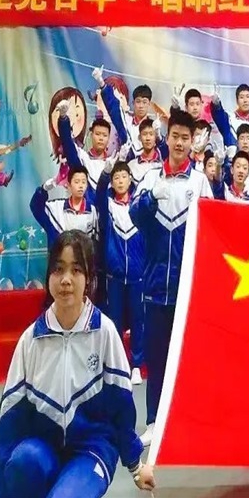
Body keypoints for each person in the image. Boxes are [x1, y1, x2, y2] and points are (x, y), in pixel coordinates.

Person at [0, 231, 155, 498]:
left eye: (76, 270)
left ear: (89, 278)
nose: (66, 280)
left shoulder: (104, 333)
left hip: (92, 448)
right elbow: (10, 421)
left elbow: (121, 407)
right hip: (43, 445)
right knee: (23, 462)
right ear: (49, 276)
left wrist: (136, 467)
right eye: (58, 269)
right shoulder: (31, 340)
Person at [129, 109, 213, 447]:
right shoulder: (151, 178)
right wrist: (151, 199)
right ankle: (153, 421)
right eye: (175, 136)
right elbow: (134, 216)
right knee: (157, 358)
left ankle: (189, 421)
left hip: (187, 289)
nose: (179, 143)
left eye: (185, 138)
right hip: (154, 287)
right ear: (167, 138)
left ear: (192, 142)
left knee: (189, 359)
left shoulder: (200, 182)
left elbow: (212, 230)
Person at [96, 157, 145, 385]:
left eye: (124, 177)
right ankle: (117, 364)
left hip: (137, 275)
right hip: (114, 275)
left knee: (137, 321)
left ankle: (136, 365)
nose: (120, 181)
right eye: (116, 178)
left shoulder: (138, 205)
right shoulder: (107, 205)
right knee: (114, 321)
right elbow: (98, 194)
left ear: (130, 180)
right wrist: (105, 173)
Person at [30, 166, 98, 245]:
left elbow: (96, 242)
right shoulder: (56, 208)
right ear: (69, 185)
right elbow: (35, 206)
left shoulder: (92, 211)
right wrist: (47, 186)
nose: (81, 186)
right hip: (59, 252)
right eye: (77, 182)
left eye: (83, 182)